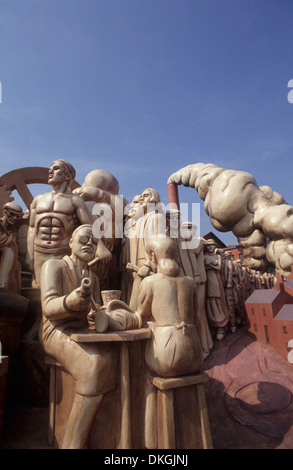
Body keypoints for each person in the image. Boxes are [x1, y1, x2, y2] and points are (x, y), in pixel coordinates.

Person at [40, 224, 118, 449]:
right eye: (84, 239)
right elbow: (48, 307)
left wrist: (96, 315)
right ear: (70, 242)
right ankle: (73, 443)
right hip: (55, 329)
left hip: (81, 331)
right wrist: (68, 302)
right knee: (96, 364)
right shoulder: (53, 266)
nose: (89, 244)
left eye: (94, 243)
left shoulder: (91, 276)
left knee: (113, 354)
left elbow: (92, 309)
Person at [136, 236, 203, 449]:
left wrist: (138, 279)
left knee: (143, 373)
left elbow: (139, 315)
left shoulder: (150, 282)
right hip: (194, 353)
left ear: (153, 256)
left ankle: (151, 441)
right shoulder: (190, 282)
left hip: (167, 357)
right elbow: (195, 317)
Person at [26, 159, 98, 287]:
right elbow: (32, 228)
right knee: (38, 286)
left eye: (56, 169)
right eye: (50, 169)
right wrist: (29, 254)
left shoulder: (76, 200)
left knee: (60, 287)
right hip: (39, 250)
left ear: (68, 175)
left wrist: (100, 247)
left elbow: (88, 226)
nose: (50, 171)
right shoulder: (38, 200)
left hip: (62, 251)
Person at [128, 188, 166, 310]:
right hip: (137, 259)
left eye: (146, 195)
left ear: (153, 198)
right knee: (138, 290)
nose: (142, 198)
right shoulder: (139, 221)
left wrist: (149, 264)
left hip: (149, 262)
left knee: (149, 290)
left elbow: (158, 244)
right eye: (141, 196)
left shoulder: (157, 217)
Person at [204, 239, 230, 340]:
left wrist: (209, 266)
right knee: (210, 302)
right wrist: (211, 266)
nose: (210, 247)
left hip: (216, 280)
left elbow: (218, 267)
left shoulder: (217, 256)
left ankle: (221, 326)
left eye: (212, 245)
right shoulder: (204, 257)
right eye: (208, 246)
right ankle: (214, 325)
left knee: (218, 301)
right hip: (208, 280)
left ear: (215, 246)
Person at [0, 202, 24, 293]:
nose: (14, 218)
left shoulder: (13, 230)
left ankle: (4, 286)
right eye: (11, 214)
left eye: (18, 216)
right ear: (5, 212)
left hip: (8, 258)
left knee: (16, 264)